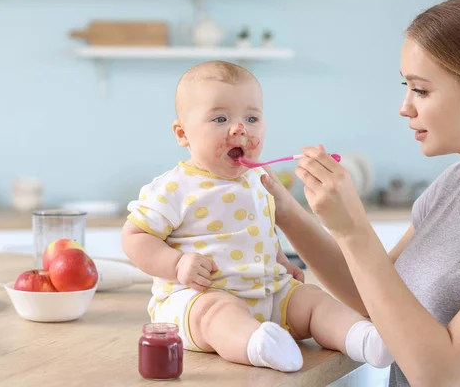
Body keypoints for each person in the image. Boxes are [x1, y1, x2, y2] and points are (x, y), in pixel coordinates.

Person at [259, 0, 460, 386]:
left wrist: (353, 229)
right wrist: (284, 209)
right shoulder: (456, 182)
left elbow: (440, 372)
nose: (404, 107)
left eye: (420, 90)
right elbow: (376, 298)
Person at [121, 60, 393, 373]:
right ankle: (258, 346)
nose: (240, 129)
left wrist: (281, 261)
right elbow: (134, 237)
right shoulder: (174, 187)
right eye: (220, 118)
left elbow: (260, 230)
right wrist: (176, 264)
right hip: (199, 296)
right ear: (183, 133)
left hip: (268, 290)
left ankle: (362, 338)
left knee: (311, 299)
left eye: (252, 118)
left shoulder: (259, 179)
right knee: (216, 313)